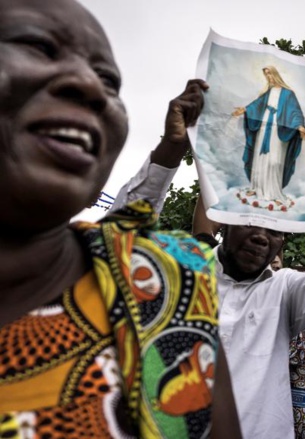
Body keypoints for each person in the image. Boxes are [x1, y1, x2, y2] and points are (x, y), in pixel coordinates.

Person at [0, 1, 239, 437]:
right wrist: (171, 147)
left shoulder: (167, 288)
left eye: (109, 80)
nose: (90, 87)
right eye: (37, 46)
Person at [116, 79, 305, 436]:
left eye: (276, 230)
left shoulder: (287, 291)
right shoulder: (180, 273)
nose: (263, 237)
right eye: (253, 222)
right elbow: (118, 244)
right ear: (228, 221)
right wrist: (171, 149)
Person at [232, 66, 305, 204]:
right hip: (264, 125)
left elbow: (295, 111)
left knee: (275, 160)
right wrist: (244, 110)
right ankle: (256, 187)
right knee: (260, 157)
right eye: (266, 75)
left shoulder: (288, 94)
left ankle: (275, 193)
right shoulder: (268, 93)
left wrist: (300, 125)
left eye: (270, 74)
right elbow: (256, 105)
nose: (268, 77)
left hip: (278, 129)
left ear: (275, 74)